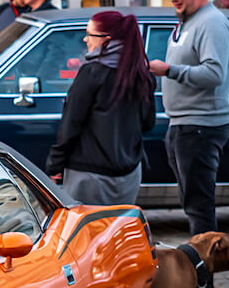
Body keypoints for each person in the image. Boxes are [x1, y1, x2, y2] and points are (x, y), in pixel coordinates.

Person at [148, 0, 229, 288]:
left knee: (200, 208)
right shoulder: (185, 21)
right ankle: (199, 281)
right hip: (183, 123)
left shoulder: (211, 23)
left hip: (201, 126)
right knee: (192, 204)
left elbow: (215, 75)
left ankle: (203, 286)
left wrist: (169, 70)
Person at [46, 11, 155, 205]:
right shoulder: (141, 74)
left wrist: (54, 164)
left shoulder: (92, 72)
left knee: (87, 233)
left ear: (107, 40)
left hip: (88, 175)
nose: (85, 39)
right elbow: (147, 123)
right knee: (117, 232)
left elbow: (71, 124)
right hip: (129, 175)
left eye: (90, 34)